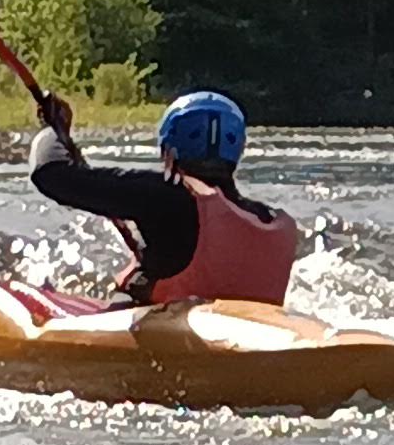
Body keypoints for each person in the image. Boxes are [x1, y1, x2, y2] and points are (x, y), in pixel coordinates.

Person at [28, 88, 301, 309]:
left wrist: (53, 129)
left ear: (168, 151)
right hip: (254, 338)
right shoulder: (274, 221)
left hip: (171, 342)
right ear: (237, 151)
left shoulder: (167, 199)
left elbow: (50, 175)